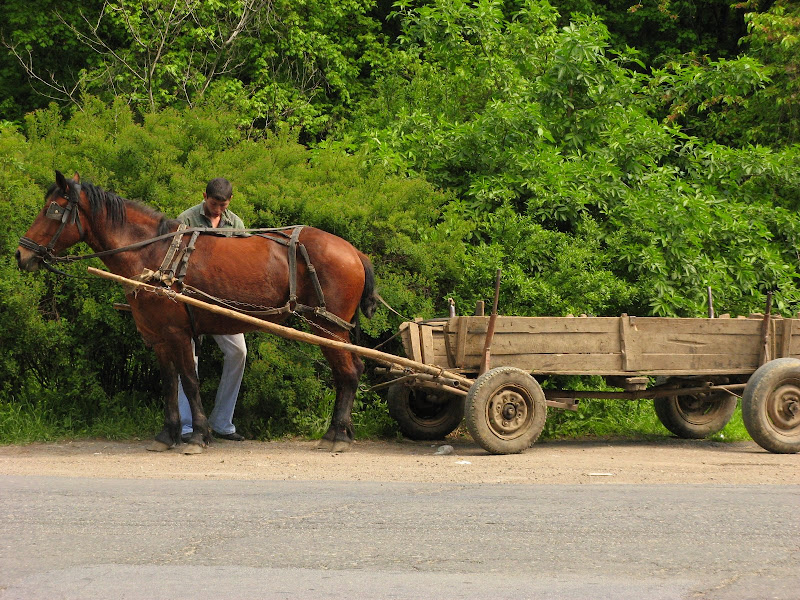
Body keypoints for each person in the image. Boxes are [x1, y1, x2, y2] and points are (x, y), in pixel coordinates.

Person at [177, 177, 247, 442]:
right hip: (190, 302)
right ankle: (187, 425)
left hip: (222, 303)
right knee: (188, 358)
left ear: (230, 201)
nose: (217, 209)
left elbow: (243, 262)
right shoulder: (186, 219)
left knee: (239, 352)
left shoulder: (236, 224)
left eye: (222, 204)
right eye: (213, 203)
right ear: (204, 195)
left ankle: (222, 422)